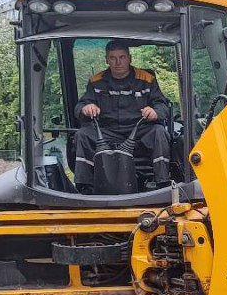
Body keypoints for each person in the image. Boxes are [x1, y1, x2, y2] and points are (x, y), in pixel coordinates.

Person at [72, 40, 173, 192]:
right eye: (113, 58)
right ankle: (84, 187)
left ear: (129, 58)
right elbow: (79, 107)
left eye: (122, 57)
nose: (118, 62)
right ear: (106, 60)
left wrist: (155, 112)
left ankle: (162, 183)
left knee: (159, 132)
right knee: (82, 134)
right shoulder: (96, 82)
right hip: (107, 132)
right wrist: (86, 108)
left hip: (139, 130)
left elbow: (162, 105)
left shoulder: (147, 79)